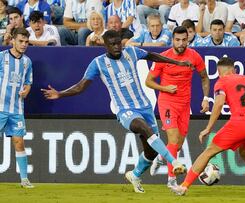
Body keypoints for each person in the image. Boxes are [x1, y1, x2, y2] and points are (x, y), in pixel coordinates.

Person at [41, 30, 190, 193]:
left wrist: (176, 62)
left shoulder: (131, 52)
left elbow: (153, 56)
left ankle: (135, 174)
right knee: (143, 128)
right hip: (124, 109)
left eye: (118, 42)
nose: (117, 46)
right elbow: (81, 85)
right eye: (112, 44)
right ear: (105, 46)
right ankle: (174, 162)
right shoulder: (98, 63)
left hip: (145, 107)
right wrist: (60, 93)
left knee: (151, 151)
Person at [170, 57, 245, 197]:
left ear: (219, 72)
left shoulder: (221, 82)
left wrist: (208, 128)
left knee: (208, 152)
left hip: (239, 123)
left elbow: (219, 104)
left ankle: (183, 187)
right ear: (234, 69)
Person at [145, 26, 210, 188]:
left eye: (184, 40)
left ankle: (161, 157)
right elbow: (149, 81)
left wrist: (206, 98)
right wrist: (165, 88)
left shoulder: (194, 56)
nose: (181, 43)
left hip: (184, 105)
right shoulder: (163, 57)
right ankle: (171, 181)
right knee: (173, 140)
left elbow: (204, 77)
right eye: (177, 40)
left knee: (178, 145)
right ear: (172, 40)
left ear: (188, 40)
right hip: (167, 102)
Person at [0, 27, 34, 188]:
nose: (24, 44)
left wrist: (26, 90)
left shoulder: (27, 62)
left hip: (17, 109)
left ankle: (24, 179)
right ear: (12, 40)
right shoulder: (1, 57)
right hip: (0, 108)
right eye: (21, 41)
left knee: (19, 142)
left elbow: (28, 82)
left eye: (26, 42)